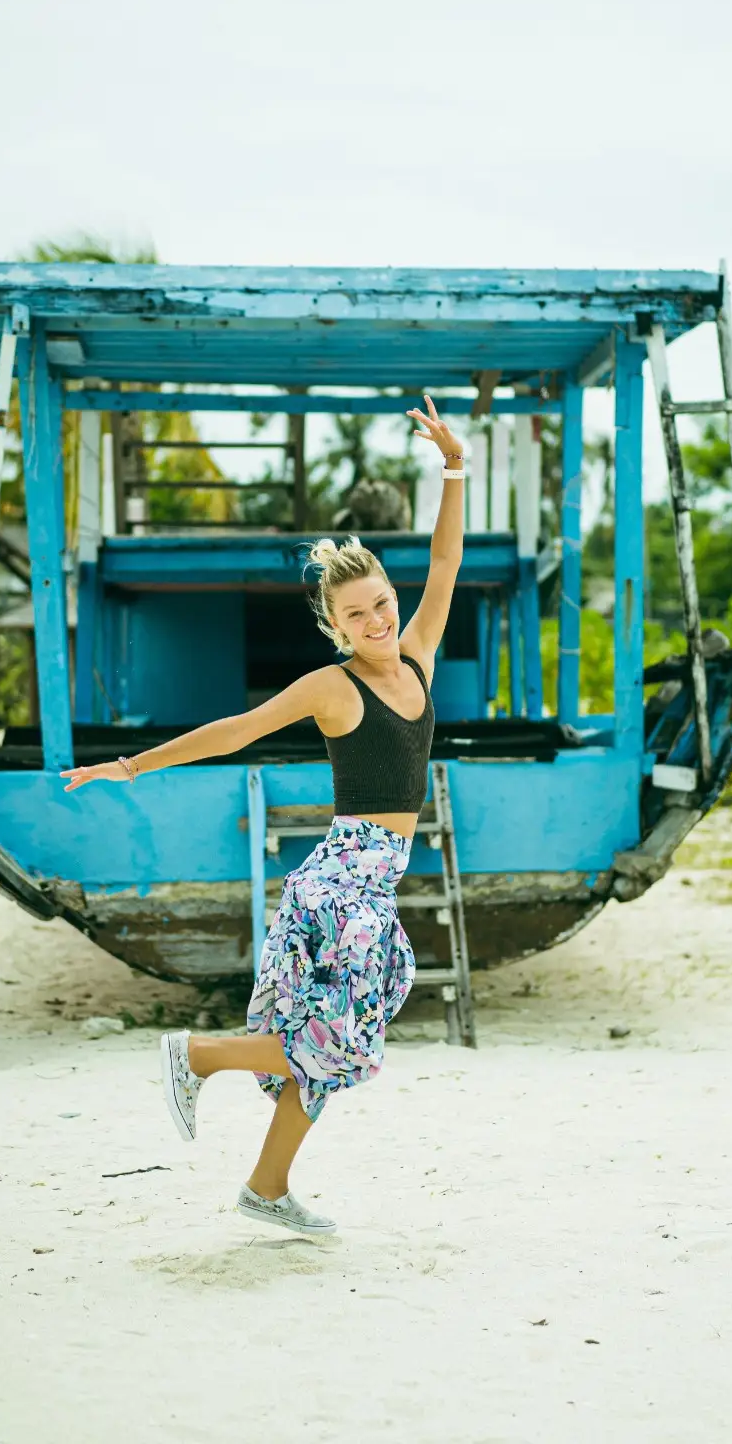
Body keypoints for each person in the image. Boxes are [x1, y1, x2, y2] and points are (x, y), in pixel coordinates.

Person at [61, 395, 465, 1234]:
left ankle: (268, 1188)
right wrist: (132, 764)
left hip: (374, 882)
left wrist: (453, 469)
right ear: (334, 627)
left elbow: (446, 560)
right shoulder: (332, 686)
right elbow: (236, 731)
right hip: (342, 880)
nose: (378, 619)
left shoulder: (418, 660)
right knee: (341, 1038)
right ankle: (196, 1055)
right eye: (356, 615)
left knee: (338, 1032)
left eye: (383, 603)